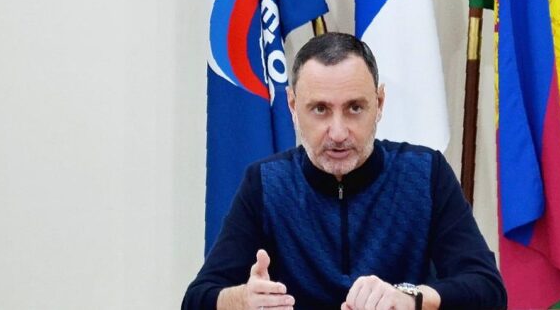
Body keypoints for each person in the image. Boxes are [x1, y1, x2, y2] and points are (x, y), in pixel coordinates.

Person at [183, 33, 506, 310]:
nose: (338, 133)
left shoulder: (425, 174)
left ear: (379, 104)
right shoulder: (267, 184)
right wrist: (242, 300)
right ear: (293, 106)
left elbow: (489, 290)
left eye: (354, 108)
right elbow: (197, 299)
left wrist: (411, 298)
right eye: (320, 109)